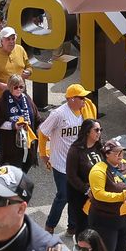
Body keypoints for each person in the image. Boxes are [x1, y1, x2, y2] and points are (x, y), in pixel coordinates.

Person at [39, 84, 95, 232]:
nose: (85, 100)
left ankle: (72, 225)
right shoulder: (58, 114)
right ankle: (50, 225)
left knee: (76, 195)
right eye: (81, 97)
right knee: (63, 195)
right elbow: (43, 133)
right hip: (61, 162)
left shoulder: (85, 111)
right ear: (71, 99)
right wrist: (44, 154)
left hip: (79, 162)